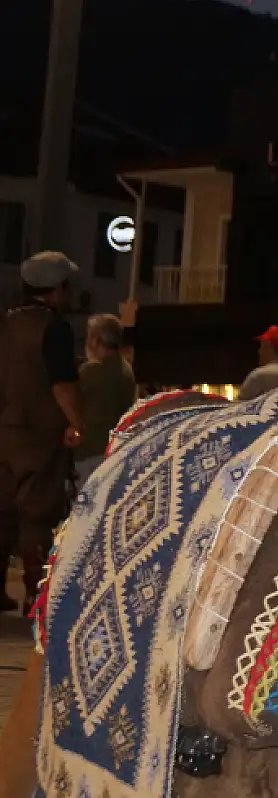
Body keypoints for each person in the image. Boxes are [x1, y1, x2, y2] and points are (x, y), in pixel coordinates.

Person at [0, 252, 86, 614]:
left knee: (3, 510)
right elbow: (62, 385)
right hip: (40, 434)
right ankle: (35, 595)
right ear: (57, 289)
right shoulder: (54, 328)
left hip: (4, 428)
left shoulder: (6, 323)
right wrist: (77, 422)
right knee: (37, 512)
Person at [75, 313, 136, 483]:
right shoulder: (126, 369)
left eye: (89, 337)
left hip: (90, 454)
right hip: (117, 452)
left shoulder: (92, 370)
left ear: (95, 340)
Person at [238, 325, 278, 401]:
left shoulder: (259, 376)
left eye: (262, 347)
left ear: (269, 347)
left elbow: (238, 406)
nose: (259, 352)